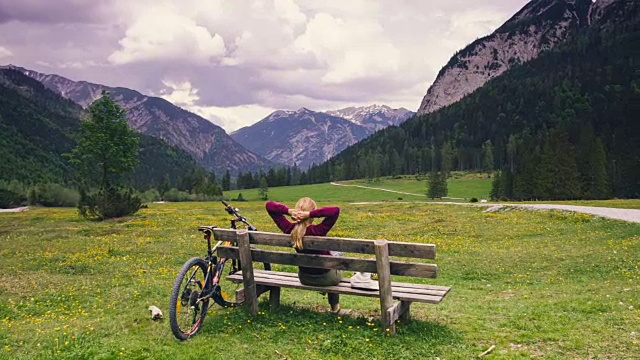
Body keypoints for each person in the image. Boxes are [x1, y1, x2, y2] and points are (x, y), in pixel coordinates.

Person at [266, 198, 377, 313]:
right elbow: (335, 210)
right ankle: (335, 308)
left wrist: (289, 211)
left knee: (332, 257)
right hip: (327, 278)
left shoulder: (289, 229)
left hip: (304, 277)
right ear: (311, 215)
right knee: (334, 260)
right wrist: (310, 214)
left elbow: (269, 206)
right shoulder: (317, 231)